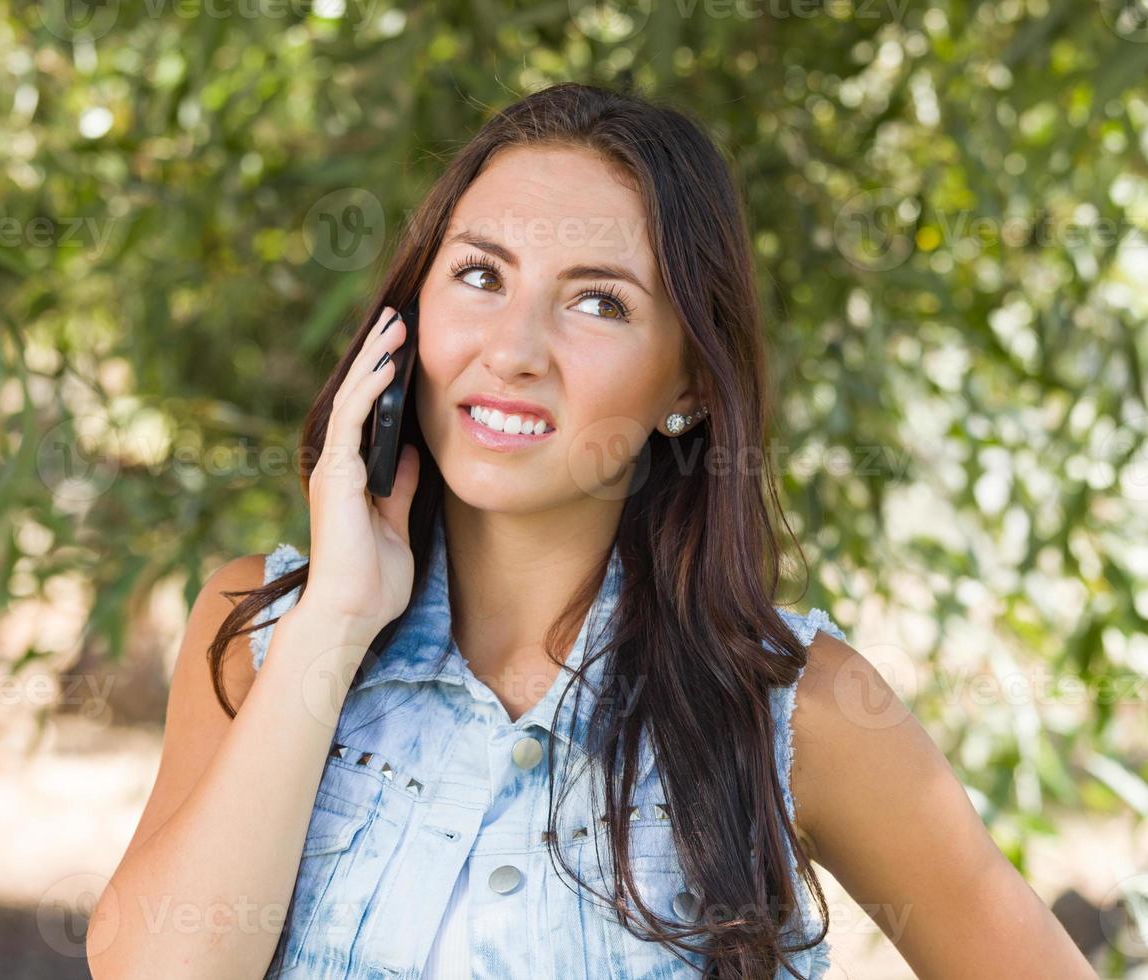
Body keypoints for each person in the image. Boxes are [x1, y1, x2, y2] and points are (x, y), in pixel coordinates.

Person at [87, 83, 1096, 979]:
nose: (514, 349)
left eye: (599, 302)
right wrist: (338, 617)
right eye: (482, 275)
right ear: (411, 317)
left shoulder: (802, 709)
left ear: (690, 383)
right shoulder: (259, 630)